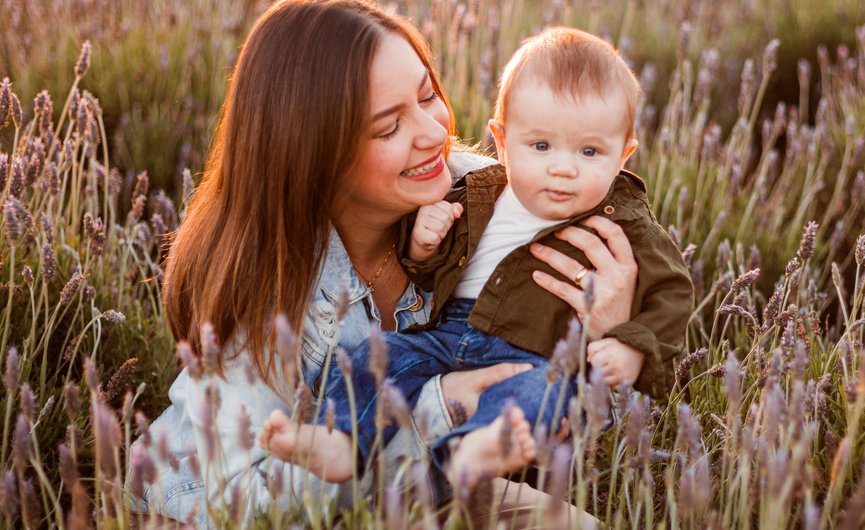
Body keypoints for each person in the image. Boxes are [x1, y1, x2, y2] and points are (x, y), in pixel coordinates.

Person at [126, 0, 643, 530]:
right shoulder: (272, 289)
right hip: (212, 525)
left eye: (427, 95)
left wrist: (611, 333)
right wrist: (441, 409)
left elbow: (575, 420)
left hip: (418, 487)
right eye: (387, 127)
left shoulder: (493, 203)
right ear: (315, 153)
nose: (432, 133)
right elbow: (235, 505)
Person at [260, 27, 694, 490]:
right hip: (448, 335)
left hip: (534, 353)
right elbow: (435, 274)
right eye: (541, 146)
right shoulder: (479, 194)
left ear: (624, 157)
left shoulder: (624, 224)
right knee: (377, 359)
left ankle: (471, 449)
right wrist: (423, 247)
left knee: (541, 394)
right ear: (502, 143)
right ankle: (341, 439)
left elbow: (672, 293)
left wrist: (628, 343)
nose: (563, 168)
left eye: (590, 151)